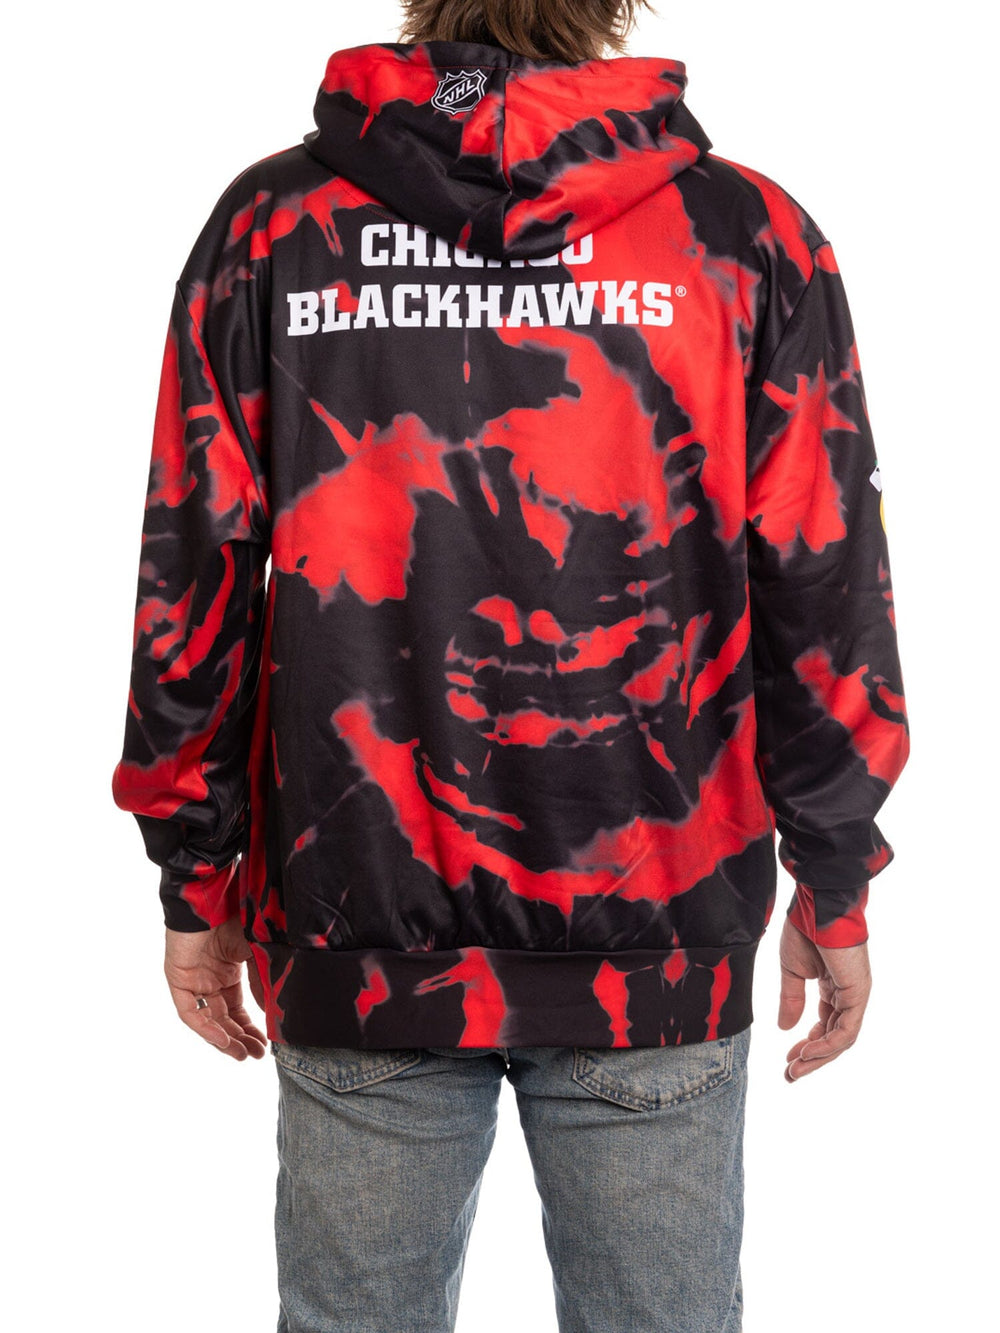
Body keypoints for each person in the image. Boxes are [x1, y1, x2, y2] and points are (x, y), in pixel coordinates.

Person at [111, 1, 910, 1328]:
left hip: (359, 916)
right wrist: (836, 879)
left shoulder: (275, 227)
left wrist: (195, 876)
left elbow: (190, 572)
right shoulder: (745, 237)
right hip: (655, 925)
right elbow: (824, 584)